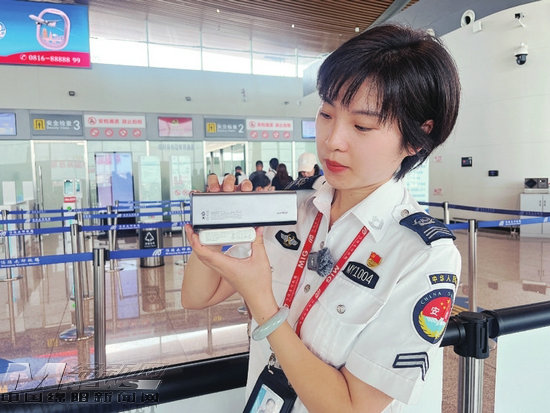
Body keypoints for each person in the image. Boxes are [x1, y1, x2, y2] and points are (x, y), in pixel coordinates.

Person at [182, 24, 461, 413]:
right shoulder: (294, 208)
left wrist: (262, 302)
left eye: (362, 126)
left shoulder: (423, 254)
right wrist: (214, 230)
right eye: (327, 113)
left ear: (416, 138)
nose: (332, 141)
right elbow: (197, 297)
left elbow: (352, 407)